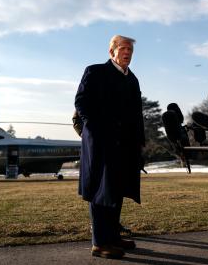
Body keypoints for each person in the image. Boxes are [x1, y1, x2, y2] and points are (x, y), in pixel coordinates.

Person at [74, 35, 145, 259]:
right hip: (101, 144)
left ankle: (113, 236)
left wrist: (140, 142)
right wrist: (97, 131)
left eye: (130, 51)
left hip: (125, 145)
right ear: (111, 51)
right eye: (123, 49)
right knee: (100, 190)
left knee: (118, 190)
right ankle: (100, 243)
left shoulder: (132, 79)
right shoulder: (95, 71)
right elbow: (81, 103)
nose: (127, 53)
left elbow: (137, 114)